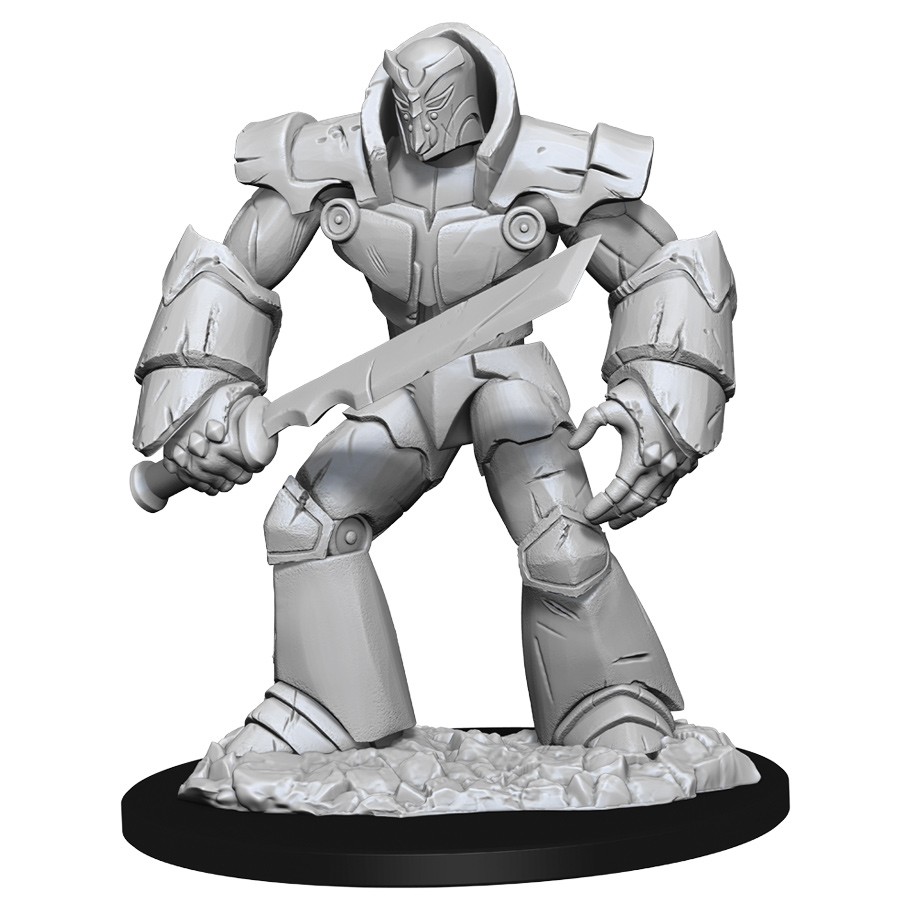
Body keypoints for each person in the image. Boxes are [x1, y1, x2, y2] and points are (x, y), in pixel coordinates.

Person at [133, 24, 736, 770]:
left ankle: (607, 703)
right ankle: (328, 710)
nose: (420, 121)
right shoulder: (332, 164)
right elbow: (229, 271)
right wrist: (204, 402)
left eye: (436, 103)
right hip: (401, 382)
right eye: (409, 101)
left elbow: (668, 268)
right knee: (306, 524)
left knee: (562, 541)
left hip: (507, 375)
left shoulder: (552, 163)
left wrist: (658, 400)